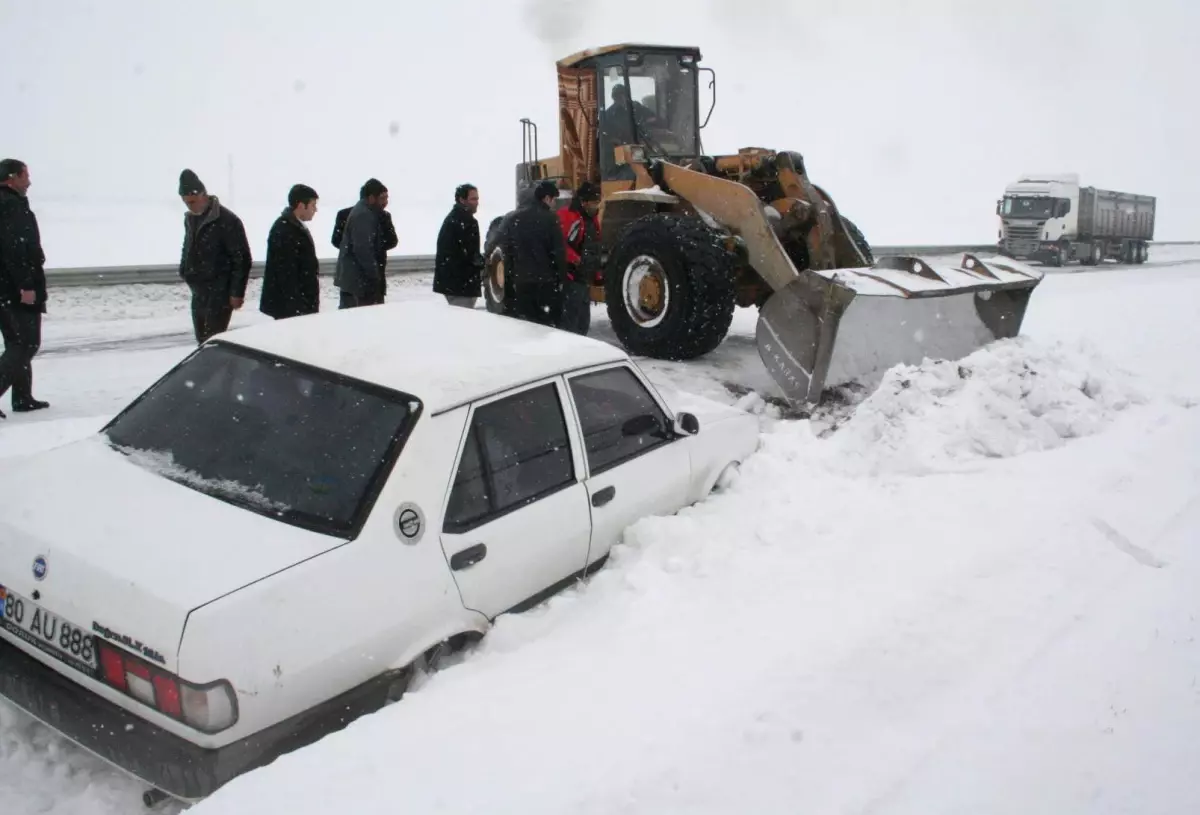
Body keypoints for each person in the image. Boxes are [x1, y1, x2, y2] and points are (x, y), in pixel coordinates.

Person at [177, 168, 253, 344]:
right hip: (198, 289)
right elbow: (187, 245)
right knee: (202, 340)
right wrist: (184, 270)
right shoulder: (190, 219)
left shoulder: (227, 220)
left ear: (203, 195)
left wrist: (236, 293)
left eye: (193, 201)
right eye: (186, 202)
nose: (190, 206)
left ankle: (220, 370)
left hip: (220, 291)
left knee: (213, 340)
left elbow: (241, 259)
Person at [0, 158, 48, 418]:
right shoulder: (10, 205)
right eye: (24, 176)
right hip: (14, 288)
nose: (28, 182)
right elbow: (16, 250)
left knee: (15, 342)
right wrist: (26, 285)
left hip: (4, 288)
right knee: (25, 344)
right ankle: (20, 396)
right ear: (12, 178)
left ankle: (22, 397)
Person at [502, 179, 567, 326]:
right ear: (546, 198)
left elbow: (508, 254)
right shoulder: (550, 219)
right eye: (554, 199)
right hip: (544, 283)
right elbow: (558, 252)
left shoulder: (513, 219)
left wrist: (510, 283)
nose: (554, 204)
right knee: (546, 327)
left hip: (522, 282)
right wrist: (561, 279)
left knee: (527, 326)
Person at [260, 184, 320, 320]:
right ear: (300, 205)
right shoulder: (284, 230)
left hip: (297, 305)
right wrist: (298, 308)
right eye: (313, 205)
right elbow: (285, 273)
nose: (315, 210)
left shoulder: (294, 227)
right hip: (290, 309)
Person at [331, 182, 398, 300]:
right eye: (382, 198)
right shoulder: (361, 215)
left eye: (387, 198)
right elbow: (360, 248)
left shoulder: (382, 215)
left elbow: (392, 240)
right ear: (371, 198)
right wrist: (373, 269)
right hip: (360, 280)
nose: (386, 202)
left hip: (361, 278)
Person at [556, 181, 602, 335]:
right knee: (571, 323)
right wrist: (575, 259)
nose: (597, 206)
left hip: (584, 278)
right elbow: (560, 243)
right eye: (594, 202)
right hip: (571, 277)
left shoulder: (592, 218)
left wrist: (596, 273)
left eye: (598, 202)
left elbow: (594, 246)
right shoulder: (568, 216)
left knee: (583, 324)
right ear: (584, 202)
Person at [433, 183, 482, 308]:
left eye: (477, 199)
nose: (477, 202)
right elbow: (470, 253)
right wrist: (485, 264)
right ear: (462, 200)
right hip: (461, 284)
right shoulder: (465, 221)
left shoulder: (454, 218)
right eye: (473, 199)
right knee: (463, 322)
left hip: (453, 283)